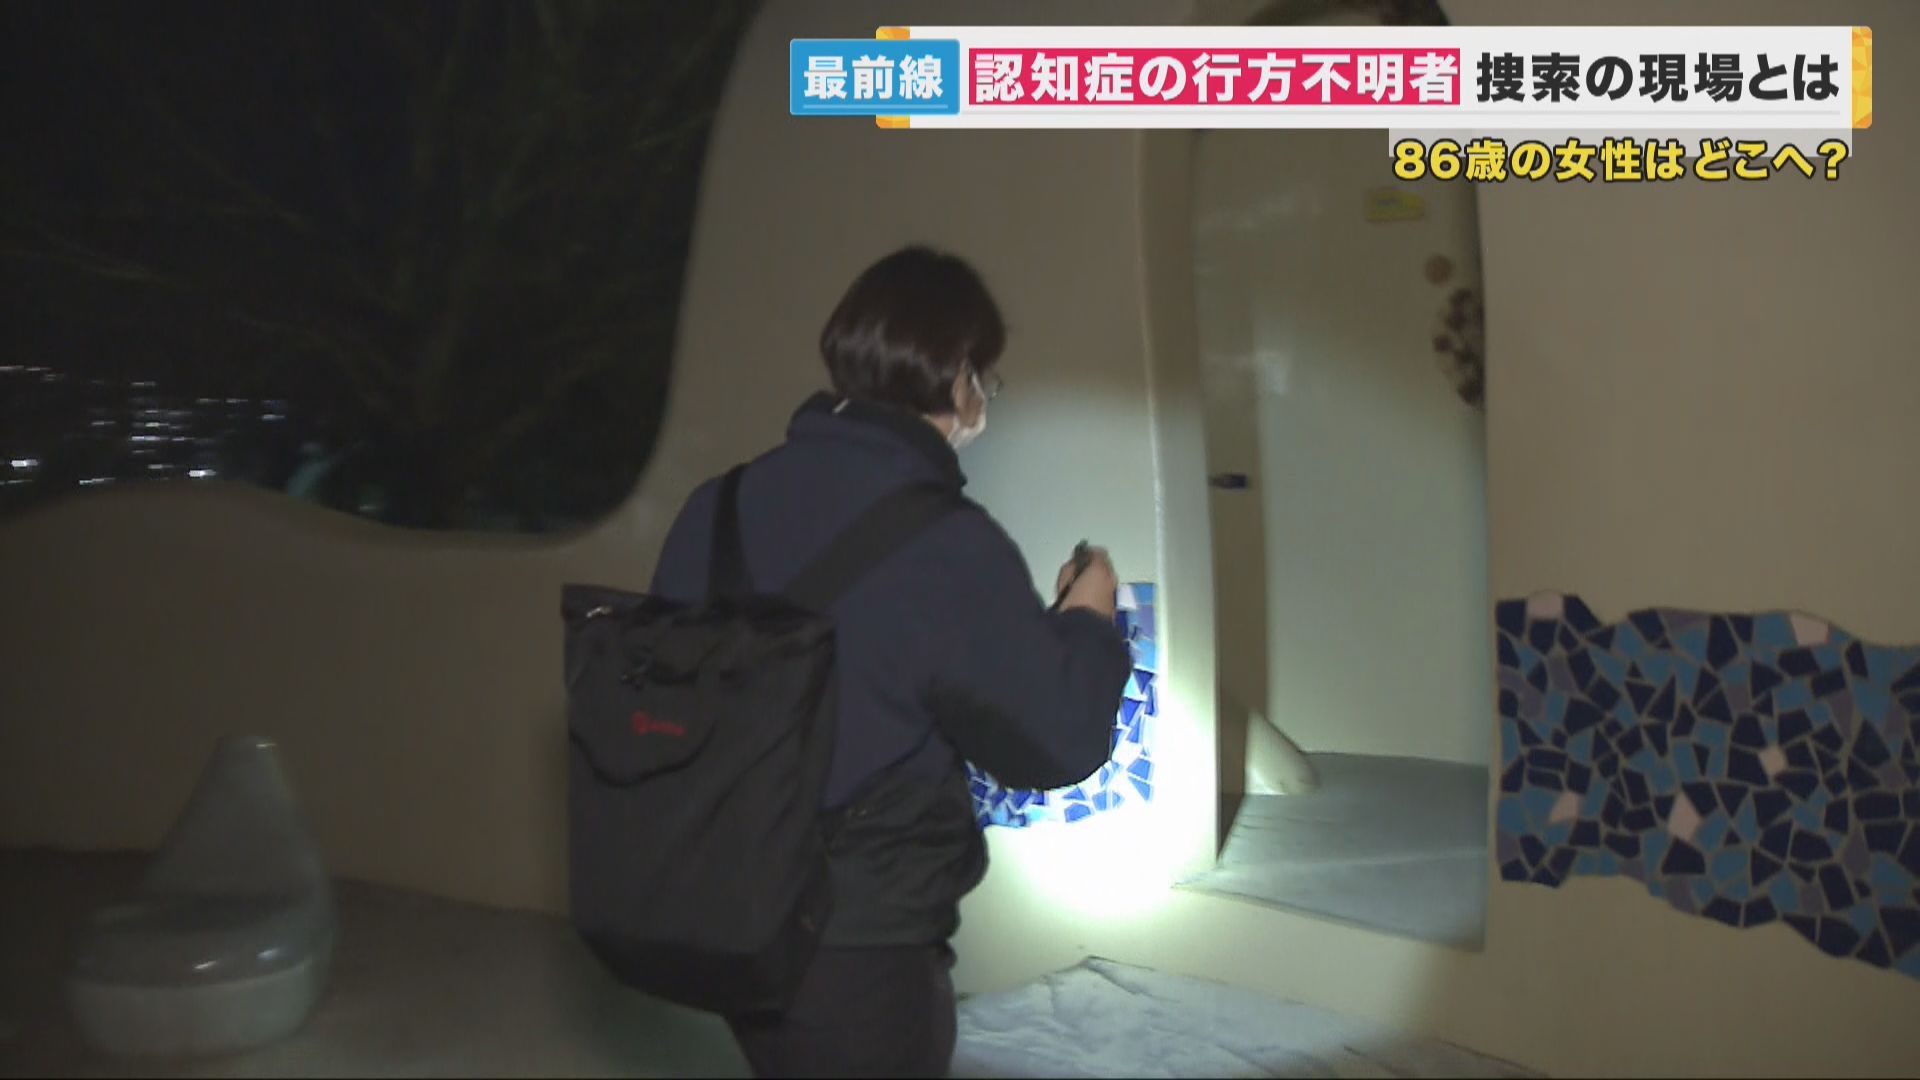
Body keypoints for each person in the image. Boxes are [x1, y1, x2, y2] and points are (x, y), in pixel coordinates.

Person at [647, 245, 1132, 1078]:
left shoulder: (714, 505)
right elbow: (1055, 740)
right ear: (958, 376)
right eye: (986, 379)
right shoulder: (949, 541)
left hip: (726, 910)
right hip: (857, 942)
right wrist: (1089, 617)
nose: (985, 401)